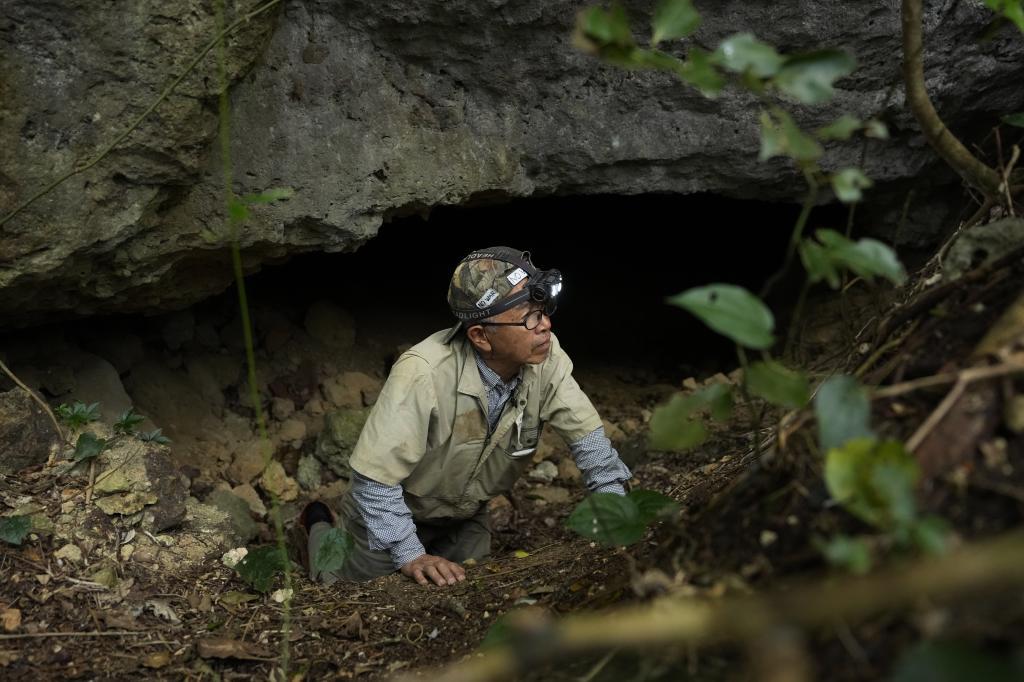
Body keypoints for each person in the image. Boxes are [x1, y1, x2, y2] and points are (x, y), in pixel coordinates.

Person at [301, 246, 632, 587]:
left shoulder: (547, 357)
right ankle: (317, 525)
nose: (545, 325)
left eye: (544, 309)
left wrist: (617, 518)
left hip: (464, 515)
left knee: (475, 591)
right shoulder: (424, 373)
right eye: (529, 317)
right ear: (480, 336)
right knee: (343, 585)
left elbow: (590, 444)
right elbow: (375, 481)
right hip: (388, 510)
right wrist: (410, 554)